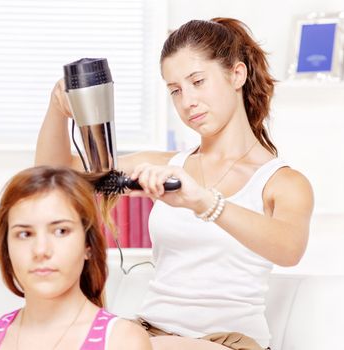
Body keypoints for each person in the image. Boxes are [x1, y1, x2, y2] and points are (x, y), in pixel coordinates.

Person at [34, 17, 314, 350]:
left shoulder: (282, 182)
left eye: (198, 81)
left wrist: (204, 202)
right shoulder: (166, 165)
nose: (187, 101)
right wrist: (57, 107)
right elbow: (54, 176)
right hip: (150, 335)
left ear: (236, 75)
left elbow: (289, 249)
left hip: (228, 343)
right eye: (176, 90)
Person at [0, 166, 151, 350]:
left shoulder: (123, 341)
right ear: (6, 249)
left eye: (60, 231)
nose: (41, 250)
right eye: (24, 234)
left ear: (88, 245)